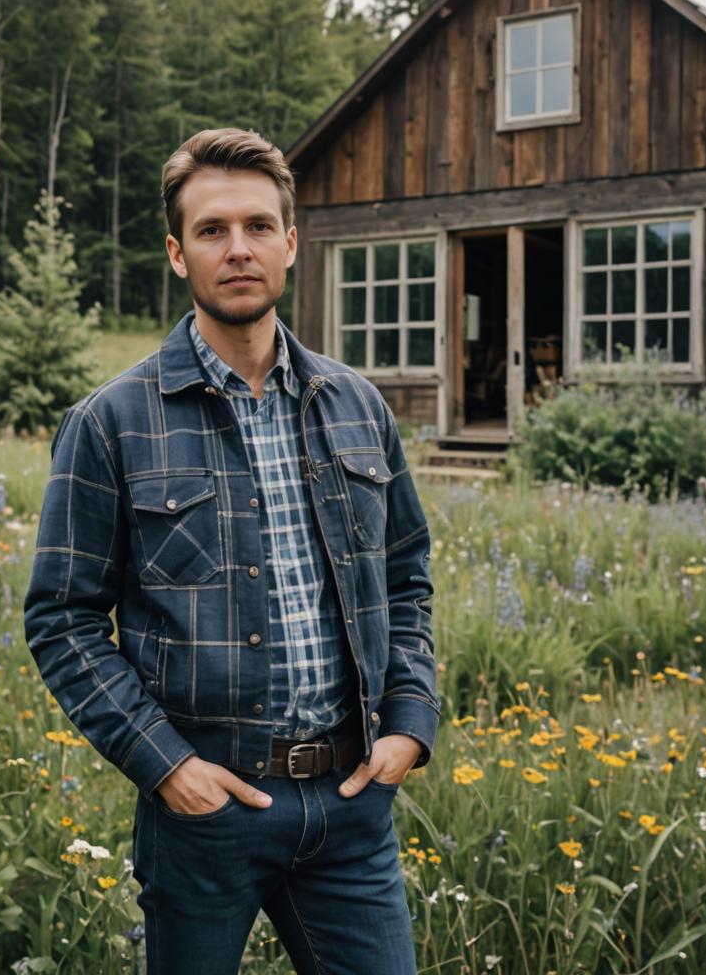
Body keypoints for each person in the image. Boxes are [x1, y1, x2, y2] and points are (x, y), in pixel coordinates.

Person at [23, 127, 440, 975]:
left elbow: (406, 580)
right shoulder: (112, 421)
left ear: (291, 241)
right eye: (212, 231)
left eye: (257, 226)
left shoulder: (356, 405)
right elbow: (62, 620)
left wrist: (410, 722)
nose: (238, 248)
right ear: (178, 254)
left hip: (352, 805)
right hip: (204, 816)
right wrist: (169, 767)